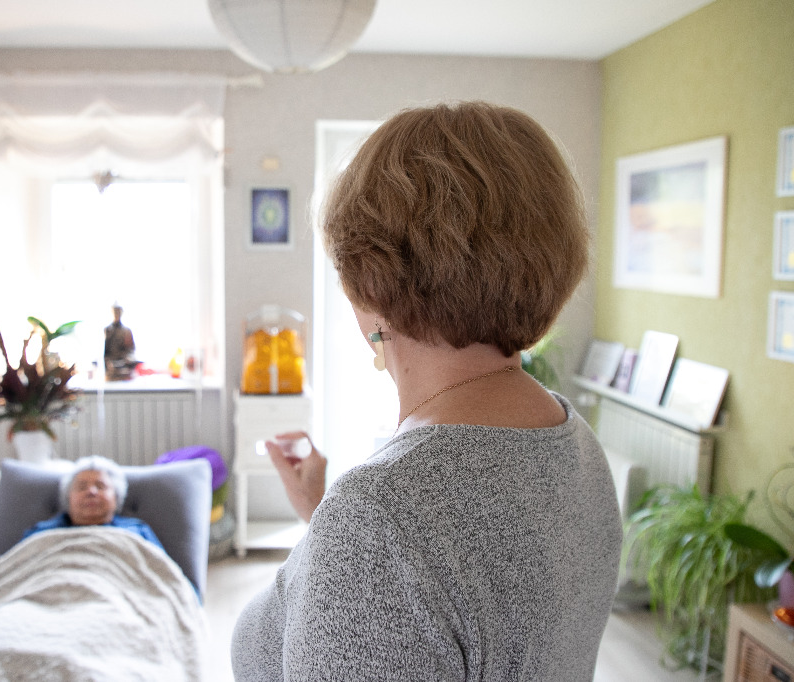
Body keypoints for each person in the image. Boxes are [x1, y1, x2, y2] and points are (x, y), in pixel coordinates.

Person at [231, 102, 623, 681]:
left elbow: (416, 569)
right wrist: (326, 520)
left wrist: (351, 528)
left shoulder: (379, 523)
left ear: (367, 284)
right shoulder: (574, 443)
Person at [22, 455, 162, 551]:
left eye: (100, 486)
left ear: (116, 497)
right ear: (68, 497)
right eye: (82, 487)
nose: (91, 492)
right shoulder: (40, 534)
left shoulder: (138, 531)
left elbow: (164, 572)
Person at [103, 303, 137, 381]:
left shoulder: (127, 331)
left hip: (123, 362)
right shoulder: (108, 330)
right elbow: (105, 351)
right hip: (111, 363)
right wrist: (108, 362)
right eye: (115, 312)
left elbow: (131, 349)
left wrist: (128, 358)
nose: (116, 314)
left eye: (118, 312)